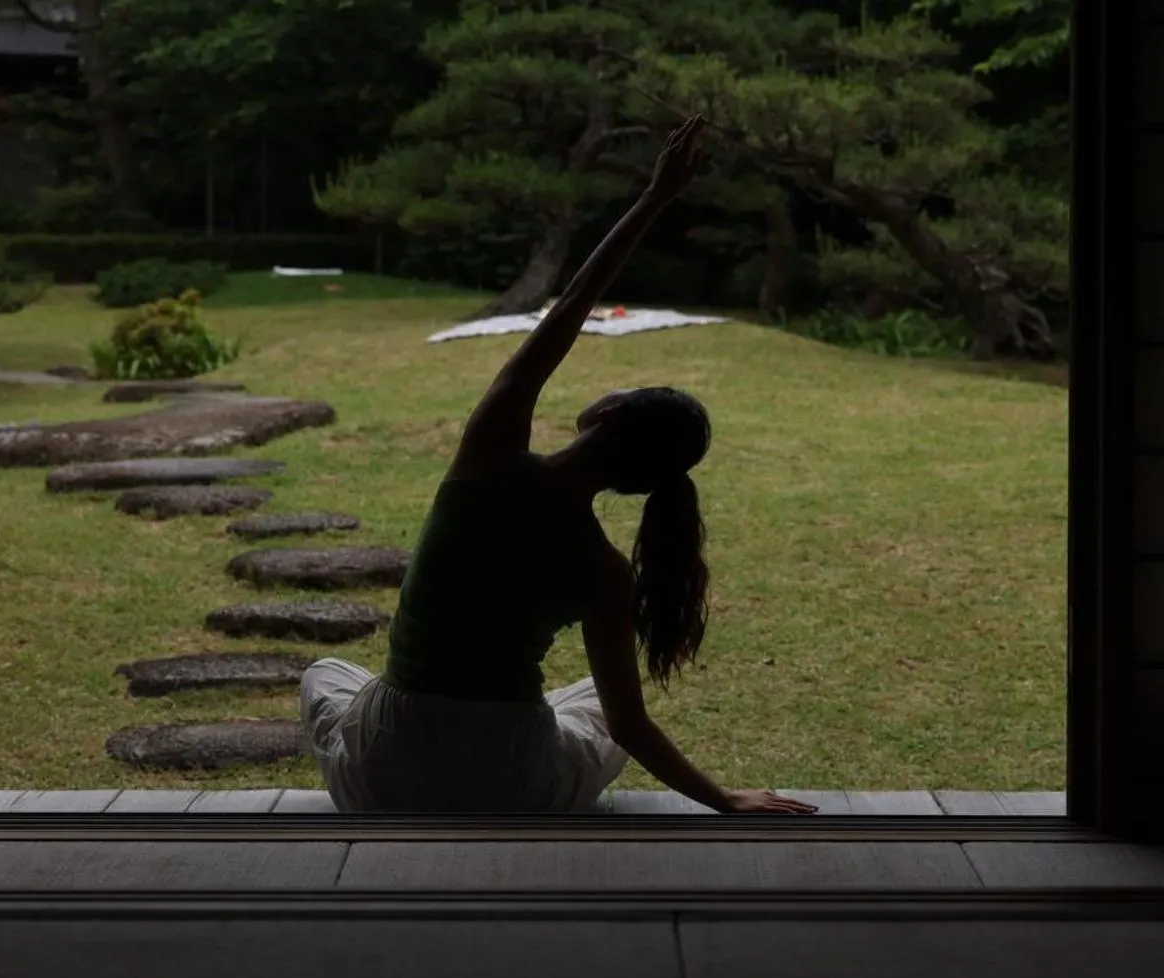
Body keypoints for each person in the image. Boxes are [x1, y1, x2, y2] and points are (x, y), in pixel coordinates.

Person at [300, 116, 817, 816]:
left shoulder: (487, 464)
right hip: (512, 783)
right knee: (590, 706)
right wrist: (723, 800)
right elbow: (631, 726)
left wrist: (652, 198)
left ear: (607, 417)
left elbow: (569, 308)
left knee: (326, 674)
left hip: (386, 773)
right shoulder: (604, 567)